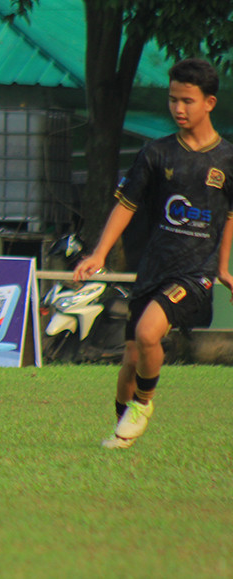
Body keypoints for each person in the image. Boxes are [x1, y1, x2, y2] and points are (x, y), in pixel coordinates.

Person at [74, 58, 233, 449]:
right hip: (154, 268)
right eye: (173, 99)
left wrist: (223, 267)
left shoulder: (228, 159)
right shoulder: (155, 153)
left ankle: (144, 405)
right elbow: (126, 205)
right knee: (131, 358)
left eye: (188, 101)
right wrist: (98, 254)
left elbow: (230, 215)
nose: (179, 108)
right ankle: (121, 429)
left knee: (148, 334)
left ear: (209, 102)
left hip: (195, 272)